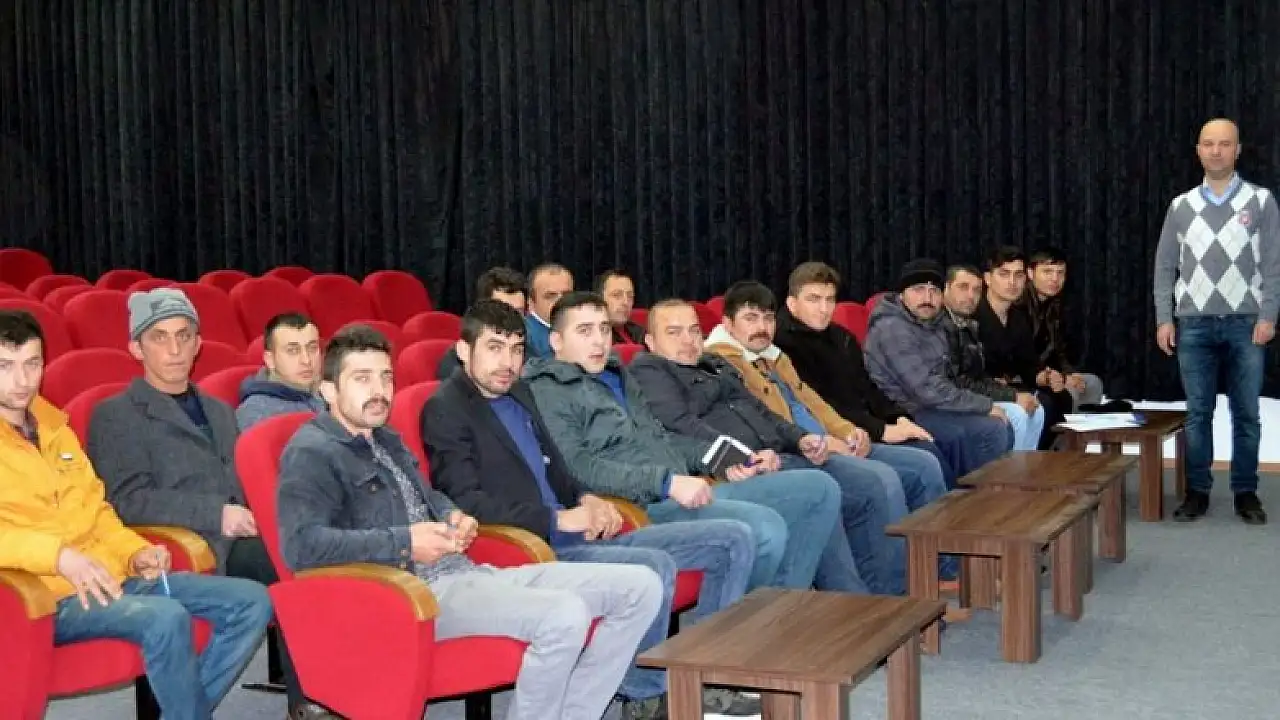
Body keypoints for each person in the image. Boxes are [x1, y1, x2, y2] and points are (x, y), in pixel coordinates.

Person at [277, 325, 664, 720]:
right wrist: (406, 542)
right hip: (411, 593)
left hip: (468, 572)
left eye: (386, 377)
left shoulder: (384, 437)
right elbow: (302, 546)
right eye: (363, 379)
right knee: (564, 615)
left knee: (641, 588)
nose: (379, 391)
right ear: (328, 391)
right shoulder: (312, 452)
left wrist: (452, 515)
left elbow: (428, 497)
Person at [423, 299, 759, 719]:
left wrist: (587, 499)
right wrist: (556, 518)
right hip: (532, 548)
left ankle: (704, 679)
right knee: (654, 567)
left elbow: (559, 470)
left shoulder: (520, 393)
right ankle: (643, 698)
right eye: (494, 348)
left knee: (732, 539)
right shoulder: (446, 409)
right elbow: (466, 502)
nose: (507, 362)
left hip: (578, 532)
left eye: (516, 349)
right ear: (463, 350)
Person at [0, 310, 272, 720]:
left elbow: (98, 512)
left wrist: (135, 552)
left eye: (32, 364)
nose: (22, 380)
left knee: (252, 601)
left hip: (109, 577)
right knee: (166, 618)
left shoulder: (57, 431)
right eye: (5, 366)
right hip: (42, 595)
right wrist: (57, 556)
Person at [86, 288, 318, 717]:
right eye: (159, 337)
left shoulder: (218, 409)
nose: (175, 349)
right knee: (292, 559)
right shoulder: (116, 414)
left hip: (245, 532)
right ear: (136, 348)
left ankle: (325, 689)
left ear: (197, 343)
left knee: (315, 543)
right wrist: (217, 514)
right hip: (188, 542)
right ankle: (309, 700)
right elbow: (126, 500)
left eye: (184, 335)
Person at [524, 291, 850, 593]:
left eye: (604, 329)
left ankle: (782, 606)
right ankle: (745, 623)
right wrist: (666, 483)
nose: (599, 341)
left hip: (684, 486)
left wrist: (726, 458)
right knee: (766, 528)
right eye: (584, 331)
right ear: (556, 340)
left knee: (819, 489)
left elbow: (662, 437)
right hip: (641, 504)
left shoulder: (616, 375)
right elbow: (577, 467)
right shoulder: (549, 389)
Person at [702, 283, 952, 596]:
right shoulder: (722, 363)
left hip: (822, 442)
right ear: (728, 324)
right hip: (793, 451)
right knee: (877, 481)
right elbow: (768, 422)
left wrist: (847, 430)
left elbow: (813, 401)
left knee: (921, 463)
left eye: (767, 318)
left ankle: (931, 575)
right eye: (751, 318)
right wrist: (821, 439)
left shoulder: (774, 355)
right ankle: (888, 594)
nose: (762, 327)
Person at [1154, 117, 1280, 524]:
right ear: (1198, 150)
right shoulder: (1180, 206)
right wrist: (1164, 319)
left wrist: (1269, 315)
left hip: (1246, 323)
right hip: (1193, 326)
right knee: (1198, 414)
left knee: (1246, 413)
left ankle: (1246, 491)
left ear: (1238, 150)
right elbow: (1164, 267)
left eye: (1225, 144)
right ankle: (1198, 491)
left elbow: (1273, 264)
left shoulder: (1261, 201)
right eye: (1208, 143)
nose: (1216, 151)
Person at [774, 261, 960, 485]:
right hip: (834, 436)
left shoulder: (841, 337)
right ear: (792, 303)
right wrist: (881, 430)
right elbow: (819, 404)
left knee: (928, 449)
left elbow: (868, 388)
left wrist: (898, 417)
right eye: (814, 299)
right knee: (923, 464)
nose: (824, 309)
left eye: (830, 300)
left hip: (865, 427)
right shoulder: (782, 346)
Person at [863, 259, 1014, 475]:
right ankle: (969, 491)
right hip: (905, 409)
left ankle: (987, 488)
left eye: (934, 291)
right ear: (902, 294)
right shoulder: (892, 328)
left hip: (931, 404)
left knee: (1000, 426)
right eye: (918, 290)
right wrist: (984, 405)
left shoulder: (935, 322)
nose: (927, 298)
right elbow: (925, 389)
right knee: (985, 430)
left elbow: (951, 376)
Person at [973, 247, 1072, 450]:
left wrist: (1045, 376)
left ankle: (1041, 457)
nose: (1012, 282)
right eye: (1004, 274)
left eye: (1018, 275)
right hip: (982, 388)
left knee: (1060, 397)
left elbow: (1028, 364)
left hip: (1010, 385)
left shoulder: (1017, 317)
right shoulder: (974, 315)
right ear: (987, 279)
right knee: (1043, 404)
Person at [942, 264, 1046, 451]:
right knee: (1018, 413)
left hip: (970, 393)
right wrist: (1011, 395)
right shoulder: (942, 327)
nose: (970, 295)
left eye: (976, 290)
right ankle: (1009, 469)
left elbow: (978, 375)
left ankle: (1026, 467)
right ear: (946, 288)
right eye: (963, 287)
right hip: (951, 399)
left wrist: (1008, 391)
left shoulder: (968, 325)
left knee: (1035, 408)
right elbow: (957, 382)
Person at [1022, 247, 1107, 409]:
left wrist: (1069, 373)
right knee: (1069, 392)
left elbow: (1058, 349)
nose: (1055, 279)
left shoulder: (1055, 304)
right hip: (1027, 376)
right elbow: (1024, 357)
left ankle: (1084, 425)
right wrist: (1061, 378)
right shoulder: (1019, 305)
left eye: (1060, 273)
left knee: (1091, 383)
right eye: (1047, 272)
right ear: (1030, 273)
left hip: (1048, 372)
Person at [236, 312, 326, 430]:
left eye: (312, 348)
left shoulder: (334, 389)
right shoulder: (256, 412)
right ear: (270, 360)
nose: (306, 360)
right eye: (293, 351)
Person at [436, 266, 528, 380]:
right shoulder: (457, 362)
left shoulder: (531, 347)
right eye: (502, 311)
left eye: (518, 312)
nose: (512, 319)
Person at [524, 263, 574, 358]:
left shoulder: (586, 328)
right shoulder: (524, 337)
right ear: (531, 303)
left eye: (567, 295)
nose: (560, 301)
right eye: (550, 296)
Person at [596, 269, 646, 344]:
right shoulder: (595, 337)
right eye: (617, 295)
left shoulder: (641, 333)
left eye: (630, 296)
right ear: (600, 299)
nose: (626, 302)